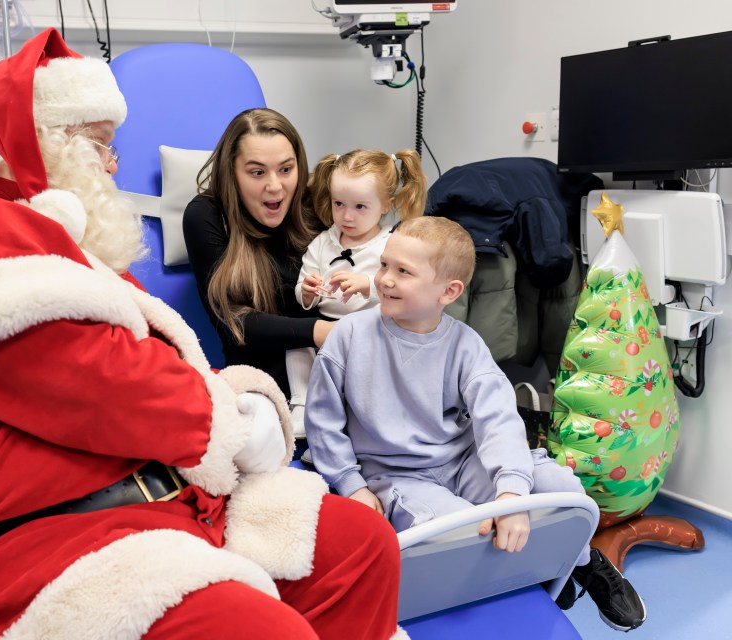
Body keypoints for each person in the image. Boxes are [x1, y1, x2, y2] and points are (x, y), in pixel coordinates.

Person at [0, 30, 408, 640]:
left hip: (159, 498)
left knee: (359, 547)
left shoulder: (54, 245)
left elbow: (144, 365)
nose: (114, 166)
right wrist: (234, 420)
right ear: (46, 147)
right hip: (43, 541)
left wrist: (230, 400)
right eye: (101, 147)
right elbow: (92, 378)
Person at [304, 215, 647, 632]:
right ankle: (525, 582)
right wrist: (352, 485)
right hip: (398, 474)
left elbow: (498, 419)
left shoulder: (465, 346)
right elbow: (322, 421)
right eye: (384, 266)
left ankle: (582, 561)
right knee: (462, 531)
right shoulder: (349, 336)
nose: (384, 280)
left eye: (403, 271)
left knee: (564, 491)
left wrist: (511, 494)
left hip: (464, 462)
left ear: (448, 291)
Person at [182, 108, 334, 401]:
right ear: (232, 172)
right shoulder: (207, 215)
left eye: (286, 169)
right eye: (257, 172)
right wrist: (322, 331)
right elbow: (234, 322)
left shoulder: (316, 205)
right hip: (263, 389)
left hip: (333, 373)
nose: (275, 186)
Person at [287, 149, 426, 435]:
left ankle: (358, 421)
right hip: (325, 331)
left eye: (360, 207)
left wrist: (368, 285)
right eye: (339, 204)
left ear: (386, 205)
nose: (346, 216)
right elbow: (302, 286)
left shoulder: (392, 244)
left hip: (372, 331)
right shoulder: (323, 243)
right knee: (295, 343)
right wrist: (307, 292)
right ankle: (302, 404)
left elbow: (404, 292)